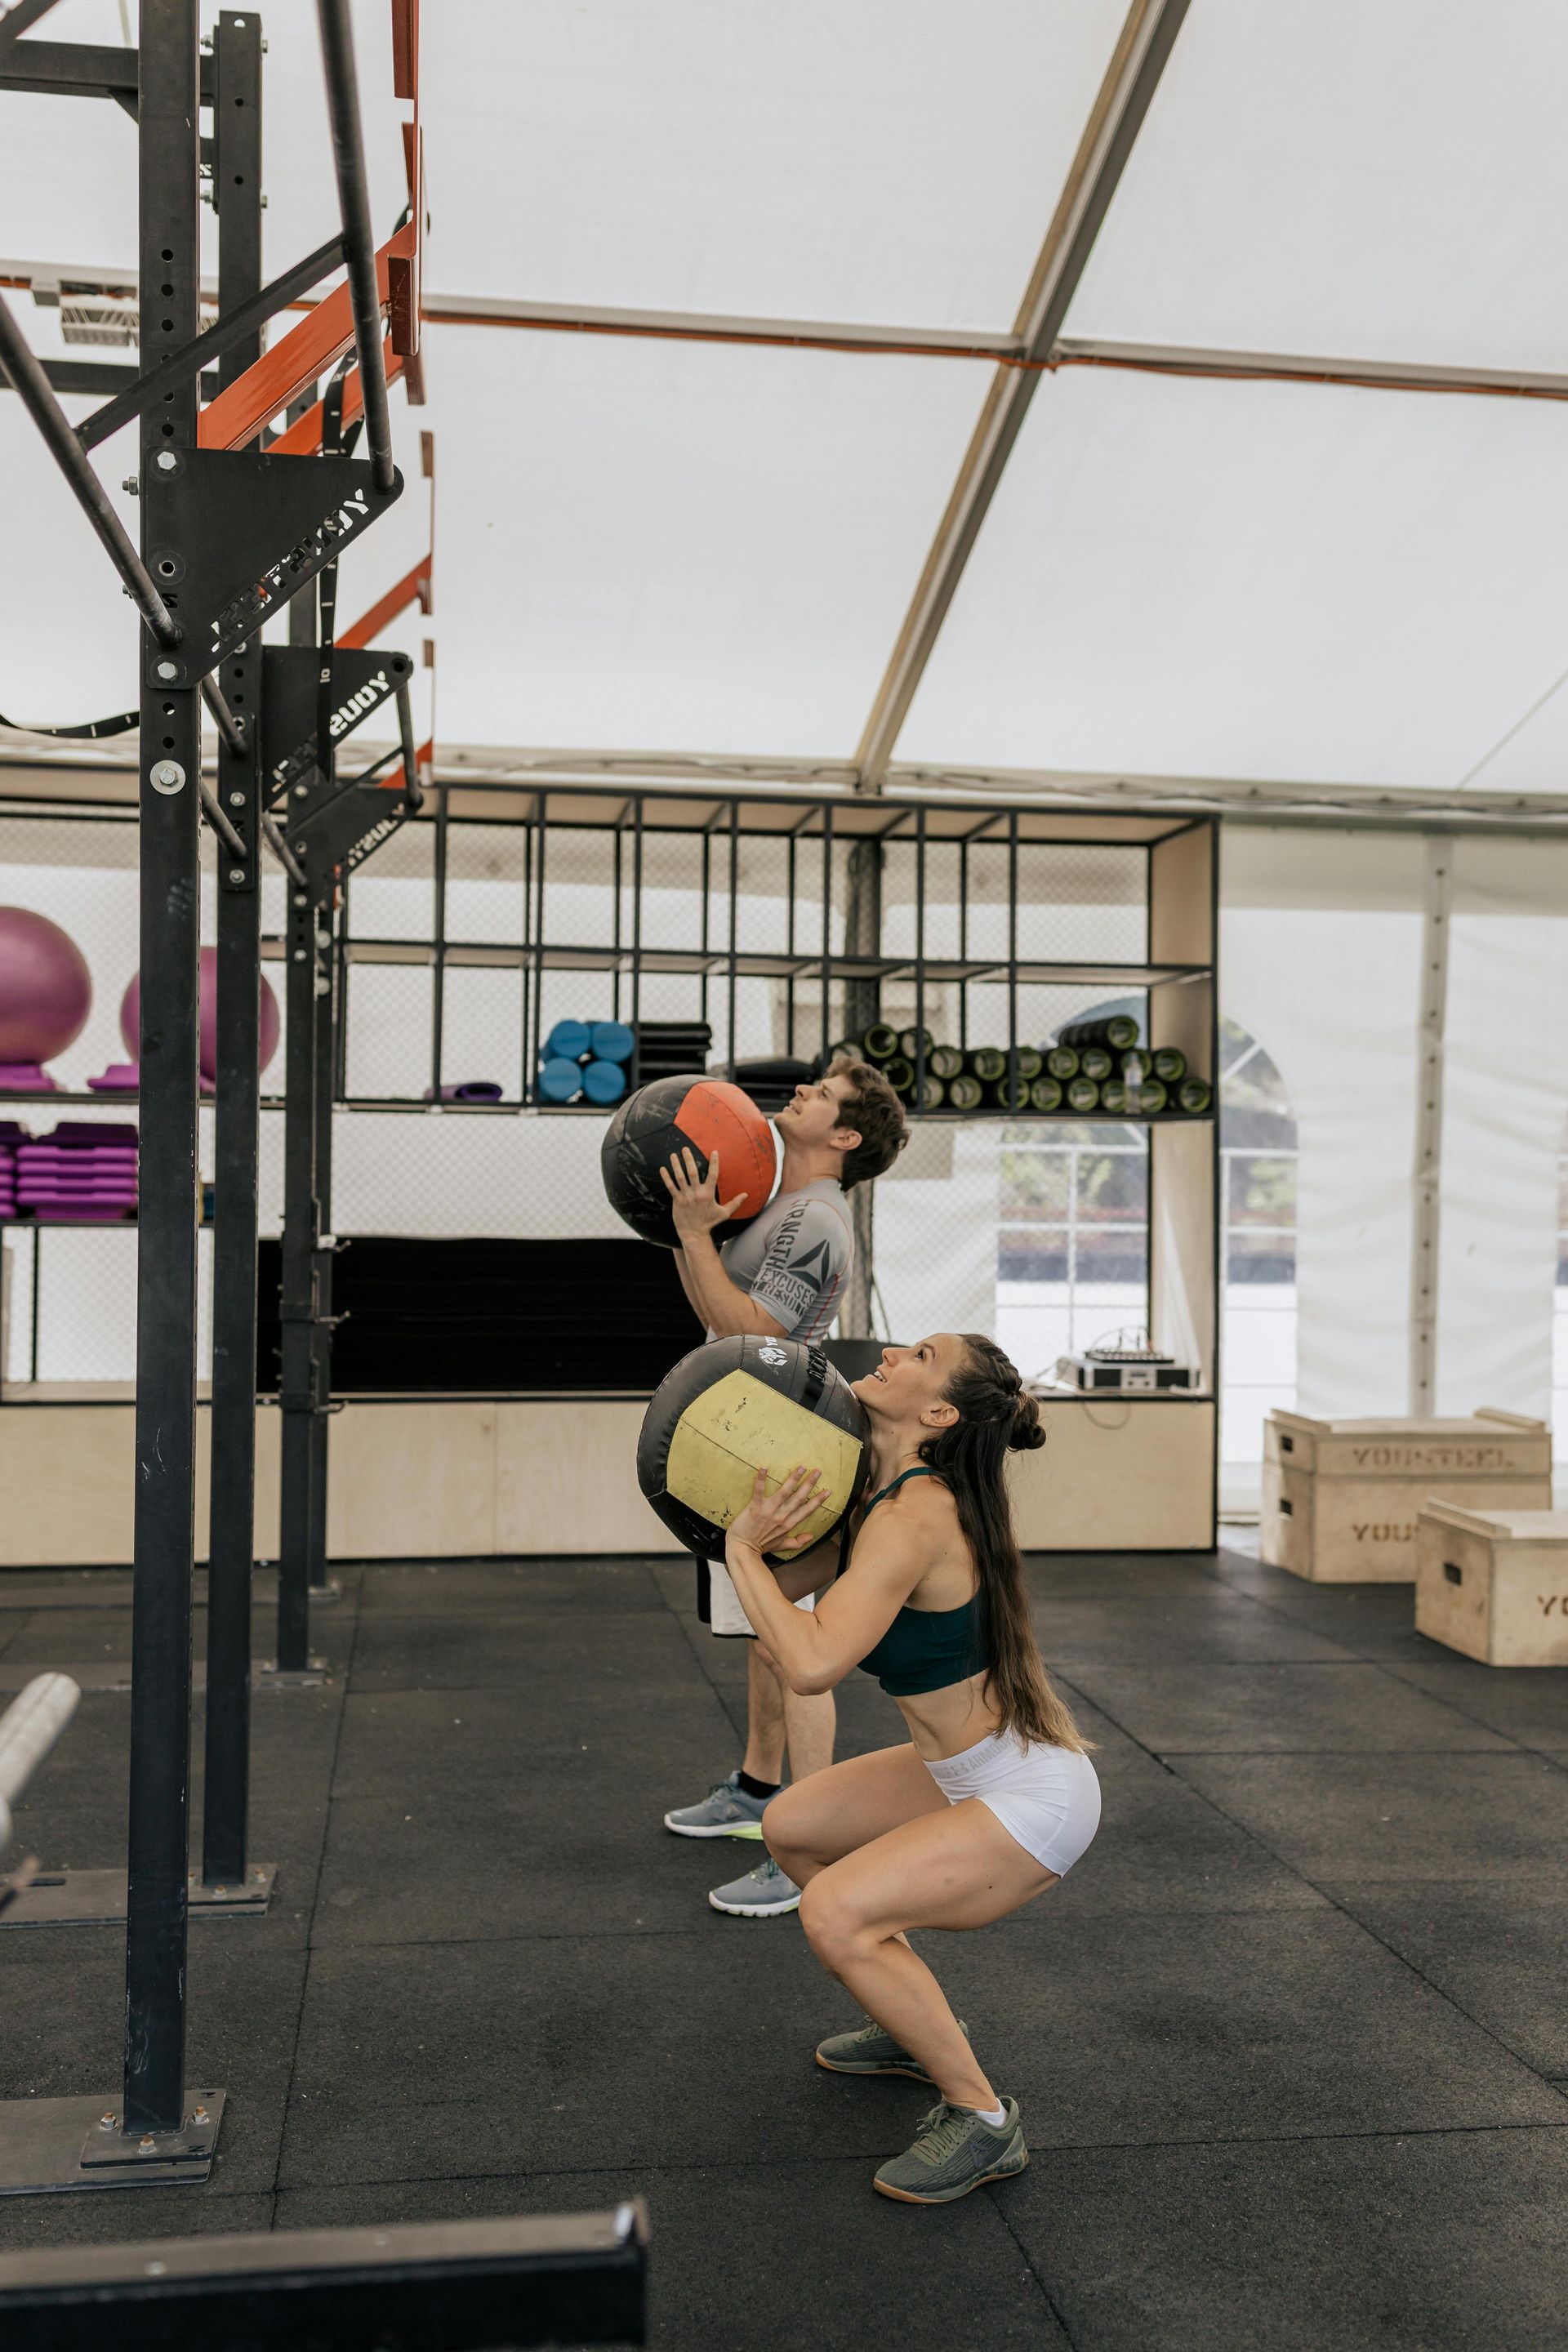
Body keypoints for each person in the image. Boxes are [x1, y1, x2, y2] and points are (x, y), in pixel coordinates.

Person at [715, 1332, 1099, 2203]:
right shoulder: (874, 1494)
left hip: (1030, 1796)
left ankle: (983, 2118)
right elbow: (795, 1576)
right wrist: (745, 1524)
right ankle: (909, 2020)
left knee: (834, 1911)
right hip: (959, 1766)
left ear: (937, 1413)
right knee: (792, 1829)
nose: (890, 1351)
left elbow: (810, 1662)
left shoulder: (916, 1515)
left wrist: (742, 1552)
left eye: (918, 1355)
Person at [659, 1056, 907, 1919]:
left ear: (844, 1136)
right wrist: (696, 1230)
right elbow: (712, 1313)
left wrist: (694, 1236)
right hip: (751, 1433)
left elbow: (747, 1331)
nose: (797, 1092)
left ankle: (810, 1846)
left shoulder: (816, 1221)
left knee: (795, 1653)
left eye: (821, 1094)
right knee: (767, 1635)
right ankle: (762, 1790)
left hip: (792, 1442)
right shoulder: (778, 1205)